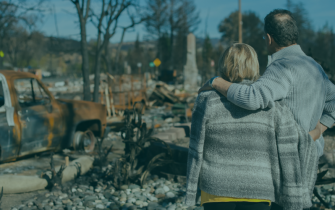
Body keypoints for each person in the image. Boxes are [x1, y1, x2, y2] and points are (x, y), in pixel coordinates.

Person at [185, 43, 321, 210]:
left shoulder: (206, 100)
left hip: (215, 188)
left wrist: (191, 189)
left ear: (223, 65)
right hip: (259, 189)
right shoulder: (272, 105)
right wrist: (319, 130)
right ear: (255, 66)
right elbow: (294, 141)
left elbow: (195, 148)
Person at [199, 9, 335, 161]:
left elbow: (252, 98)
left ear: (269, 38)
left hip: (290, 159)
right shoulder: (314, 67)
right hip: (312, 155)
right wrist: (317, 131)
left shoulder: (282, 67)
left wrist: (215, 81)